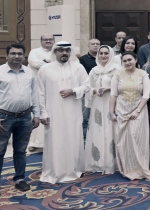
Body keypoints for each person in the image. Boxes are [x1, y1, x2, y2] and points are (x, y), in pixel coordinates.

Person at [0, 44, 40, 198]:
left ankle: (20, 179)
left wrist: (36, 114)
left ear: (24, 56)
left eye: (20, 54)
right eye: (13, 53)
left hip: (25, 117)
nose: (17, 56)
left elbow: (34, 94)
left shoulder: (29, 72)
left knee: (21, 151)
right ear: (6, 56)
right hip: (3, 118)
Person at [37, 41, 89, 184]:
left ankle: (75, 169)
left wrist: (73, 90)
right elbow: (40, 93)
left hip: (73, 112)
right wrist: (43, 113)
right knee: (55, 141)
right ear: (55, 52)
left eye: (67, 50)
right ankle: (55, 171)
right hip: (53, 113)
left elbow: (87, 85)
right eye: (61, 50)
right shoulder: (45, 69)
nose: (64, 53)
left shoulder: (78, 67)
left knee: (73, 139)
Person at [109, 52, 150, 180]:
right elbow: (113, 94)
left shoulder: (143, 74)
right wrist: (111, 112)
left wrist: (137, 110)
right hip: (121, 110)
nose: (127, 63)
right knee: (123, 141)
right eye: (125, 61)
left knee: (138, 138)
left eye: (129, 60)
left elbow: (146, 95)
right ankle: (128, 169)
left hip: (139, 110)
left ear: (135, 59)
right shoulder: (117, 74)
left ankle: (142, 168)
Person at [84, 46, 117, 175]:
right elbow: (88, 87)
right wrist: (94, 90)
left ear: (111, 55)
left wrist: (108, 89)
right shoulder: (94, 70)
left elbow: (121, 86)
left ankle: (111, 162)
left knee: (110, 129)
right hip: (97, 103)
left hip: (111, 102)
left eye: (106, 53)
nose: (103, 56)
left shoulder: (116, 69)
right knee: (97, 129)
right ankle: (98, 162)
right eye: (101, 53)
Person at [26, 33, 55, 152]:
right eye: (45, 39)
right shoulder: (35, 52)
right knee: (37, 114)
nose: (48, 41)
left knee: (51, 114)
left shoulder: (56, 51)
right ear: (41, 41)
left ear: (54, 41)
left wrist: (48, 63)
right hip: (37, 88)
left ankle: (51, 142)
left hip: (52, 88)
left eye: (50, 39)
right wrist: (51, 64)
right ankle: (34, 143)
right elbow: (34, 63)